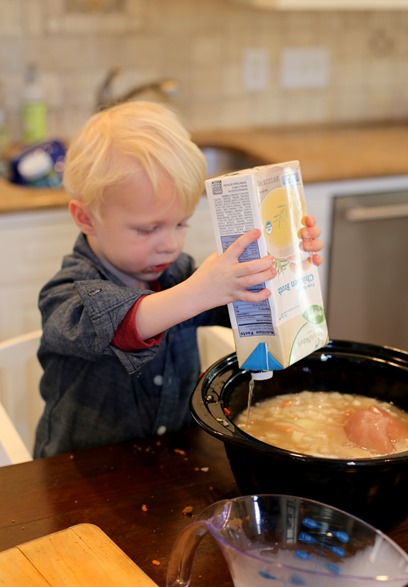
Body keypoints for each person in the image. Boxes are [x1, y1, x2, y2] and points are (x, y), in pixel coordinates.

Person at [34, 101, 323, 458]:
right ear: (86, 218)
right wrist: (201, 290)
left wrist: (286, 260)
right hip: (82, 475)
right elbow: (122, 323)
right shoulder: (66, 294)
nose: (170, 245)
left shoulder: (178, 273)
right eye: (148, 229)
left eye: (180, 223)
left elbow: (244, 310)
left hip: (175, 458)